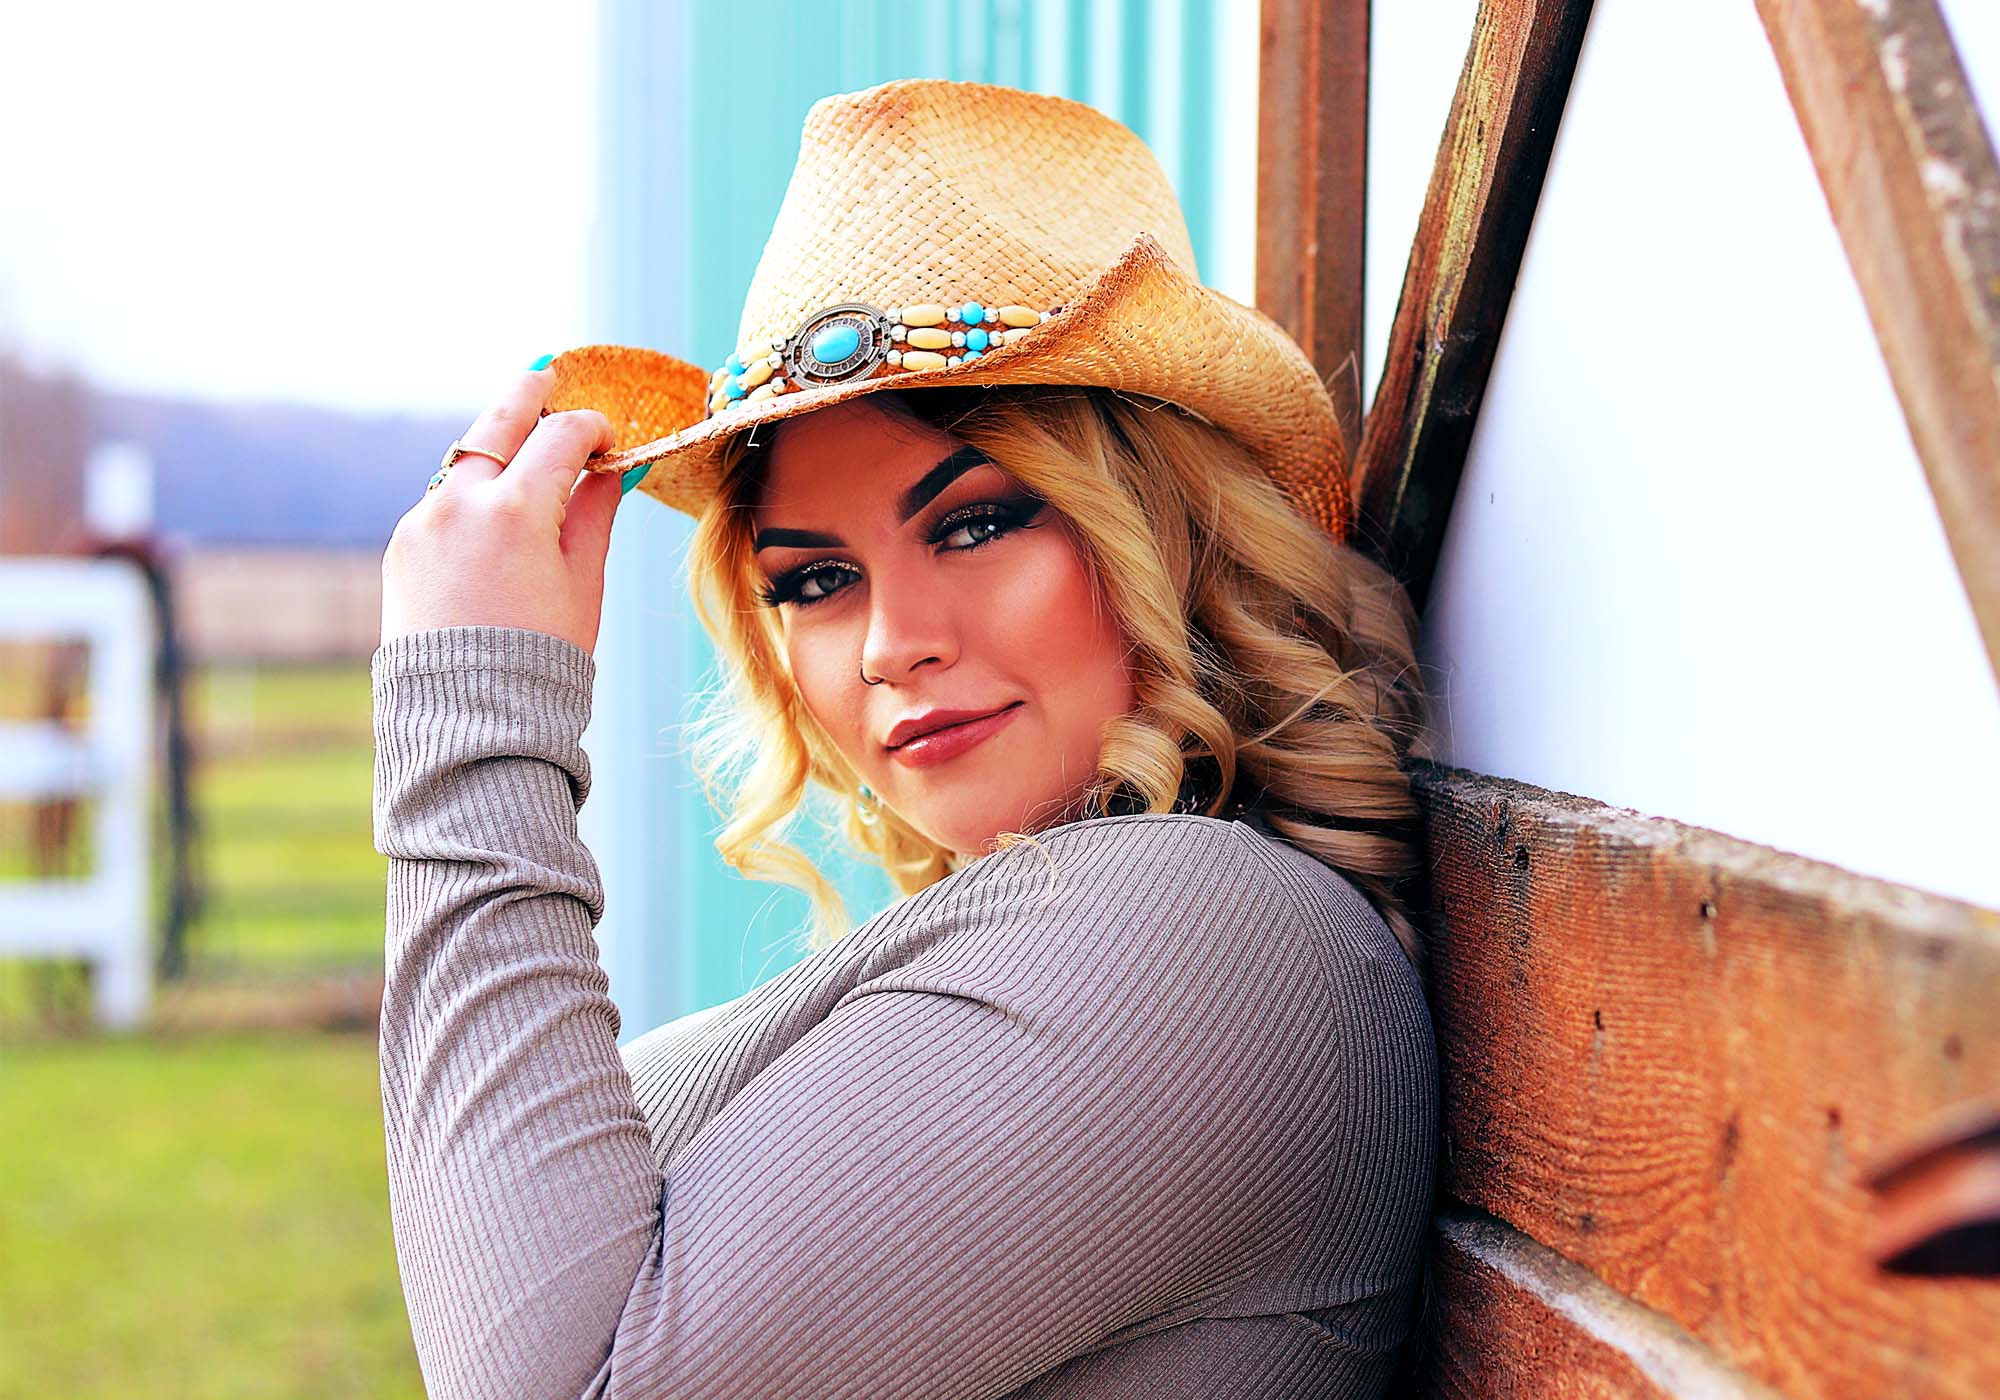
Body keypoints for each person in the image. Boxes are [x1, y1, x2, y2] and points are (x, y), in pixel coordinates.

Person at [374, 78, 1440, 1400]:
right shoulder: (1068, 924)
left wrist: (469, 715)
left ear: (1167, 530)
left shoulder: (1213, 937)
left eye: (976, 523)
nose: (890, 643)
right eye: (816, 581)